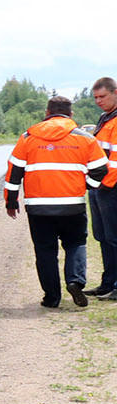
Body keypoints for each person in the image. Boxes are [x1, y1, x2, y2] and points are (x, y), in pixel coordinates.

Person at [5, 95, 111, 308]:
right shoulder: (85, 138)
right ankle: (75, 281)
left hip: (38, 207)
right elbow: (102, 168)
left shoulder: (27, 137)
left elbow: (14, 172)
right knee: (76, 243)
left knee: (45, 250)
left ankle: (51, 298)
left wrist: (11, 201)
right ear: (71, 115)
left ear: (47, 113)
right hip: (72, 204)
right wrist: (86, 184)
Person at [87, 77, 117, 299]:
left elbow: (114, 162)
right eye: (96, 97)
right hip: (100, 188)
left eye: (102, 96)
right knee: (103, 237)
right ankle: (108, 283)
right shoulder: (105, 118)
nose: (98, 101)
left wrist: (102, 186)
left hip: (110, 188)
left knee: (114, 238)